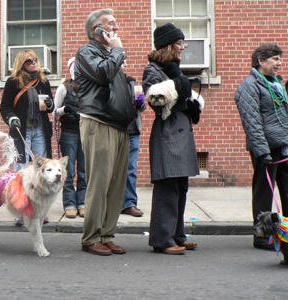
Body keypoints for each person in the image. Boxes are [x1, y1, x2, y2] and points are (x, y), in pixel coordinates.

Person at [74, 8, 135, 256]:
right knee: (99, 183)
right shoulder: (87, 51)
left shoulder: (110, 54)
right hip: (98, 122)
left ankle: (107, 234)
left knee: (116, 185)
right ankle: (91, 237)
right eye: (110, 24)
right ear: (96, 30)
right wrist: (118, 50)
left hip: (120, 126)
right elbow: (103, 74)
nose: (115, 28)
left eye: (116, 23)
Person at [142, 23, 203, 255]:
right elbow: (156, 102)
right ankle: (162, 239)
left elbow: (183, 95)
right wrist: (177, 84)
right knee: (167, 189)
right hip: (167, 134)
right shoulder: (153, 70)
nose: (183, 47)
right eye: (179, 43)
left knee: (180, 187)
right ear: (167, 45)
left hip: (181, 133)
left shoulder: (173, 69)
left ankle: (177, 235)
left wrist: (191, 105)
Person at [234, 43, 288, 250]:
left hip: (284, 146)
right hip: (265, 148)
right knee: (264, 192)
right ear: (261, 61)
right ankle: (261, 236)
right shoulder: (249, 86)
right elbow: (252, 122)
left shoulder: (276, 83)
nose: (280, 63)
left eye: (279, 58)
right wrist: (262, 151)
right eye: (275, 59)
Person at [0, 49, 54, 226]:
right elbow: (5, 107)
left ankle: (40, 211)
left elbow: (50, 106)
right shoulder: (12, 82)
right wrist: (11, 118)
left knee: (41, 171)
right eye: (29, 60)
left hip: (40, 130)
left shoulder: (43, 81)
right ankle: (21, 211)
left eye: (35, 59)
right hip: (21, 132)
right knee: (21, 171)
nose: (33, 62)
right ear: (21, 64)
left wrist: (50, 105)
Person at [54, 57, 86, 219]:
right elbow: (54, 111)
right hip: (69, 133)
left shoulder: (88, 87)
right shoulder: (63, 87)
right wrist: (65, 110)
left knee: (84, 171)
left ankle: (82, 203)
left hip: (85, 132)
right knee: (68, 171)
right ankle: (69, 204)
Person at [120, 60, 146, 217]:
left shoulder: (133, 83)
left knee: (131, 169)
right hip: (116, 131)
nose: (125, 65)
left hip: (133, 131)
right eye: (122, 63)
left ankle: (129, 203)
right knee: (115, 170)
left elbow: (141, 107)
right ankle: (114, 204)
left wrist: (141, 102)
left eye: (126, 63)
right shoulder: (108, 83)